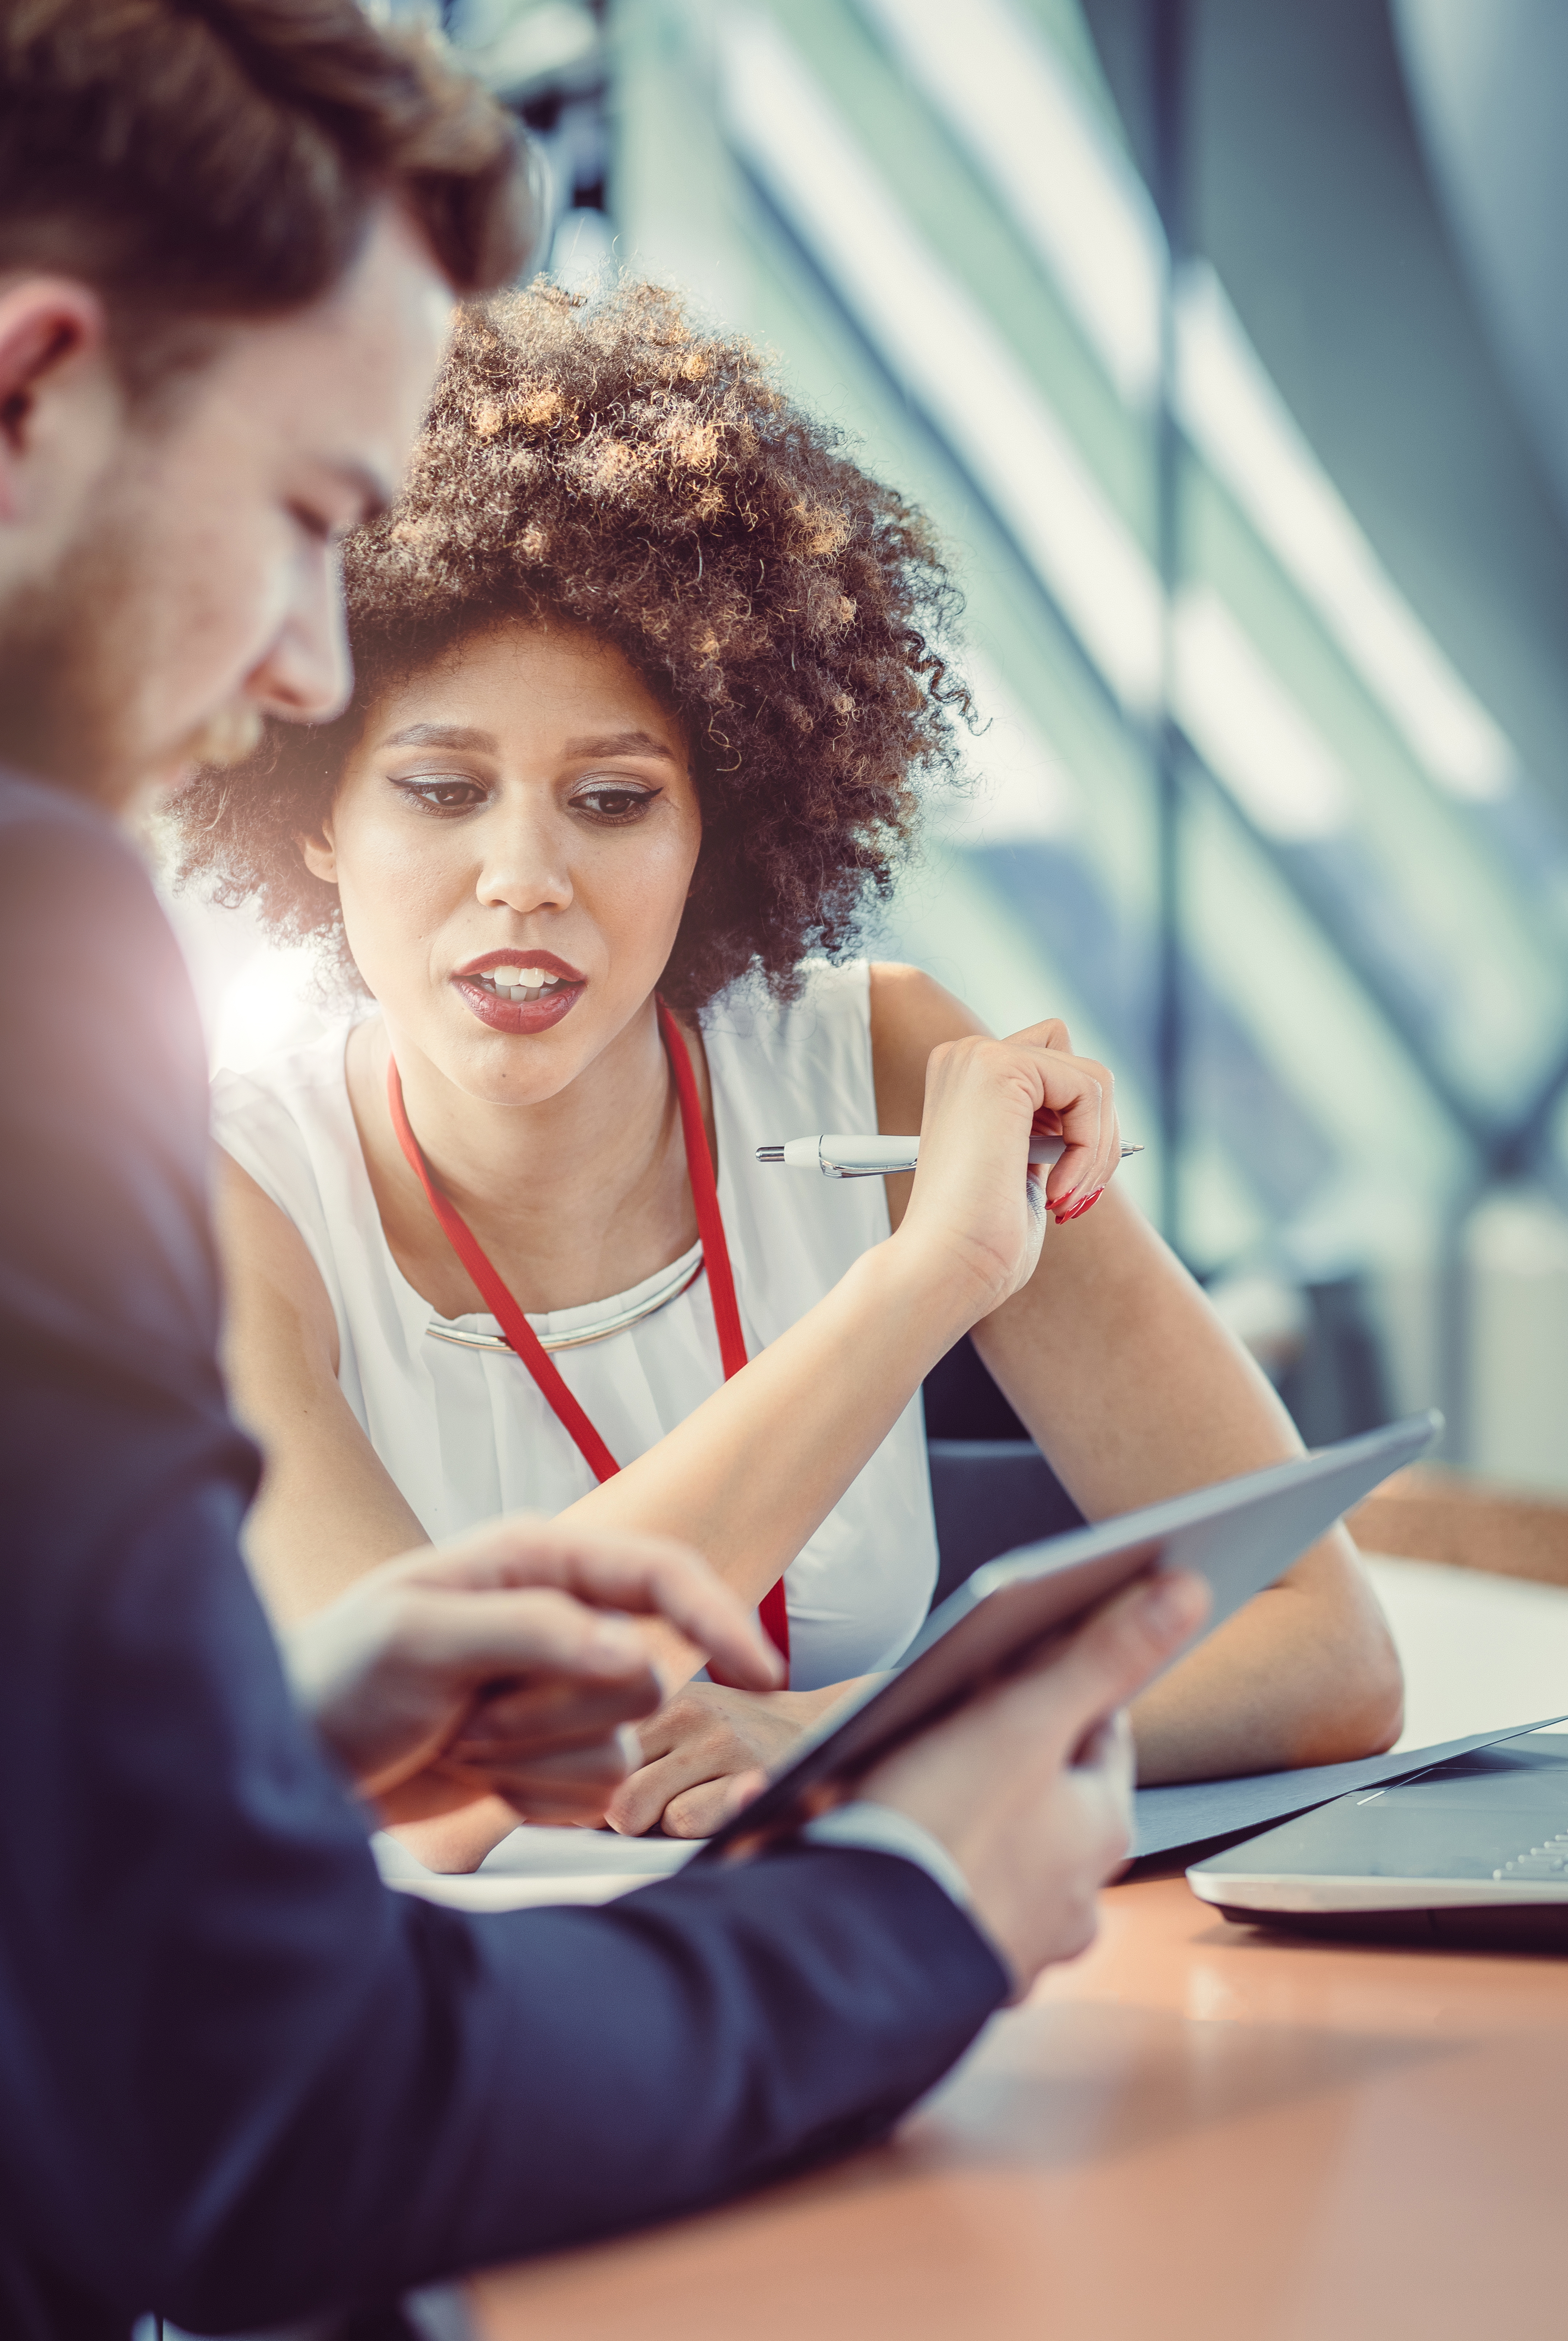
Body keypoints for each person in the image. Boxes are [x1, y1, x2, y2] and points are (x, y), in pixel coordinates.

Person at [0, 5, 1207, 2334]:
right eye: (305, 522)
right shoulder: (65, 1007)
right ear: (34, 389)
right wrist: (905, 1912)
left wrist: (270, 1755)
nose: (295, 666)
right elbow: (255, 2120)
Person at [169, 286, 1405, 1870]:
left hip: (893, 1982)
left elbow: (1325, 1646)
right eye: (440, 790)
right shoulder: (224, 1197)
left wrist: (838, 1730)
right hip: (481, 2043)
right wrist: (924, 1279)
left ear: (722, 828)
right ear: (314, 814)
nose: (524, 875)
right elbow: (431, 1772)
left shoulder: (887, 1063)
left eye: (613, 801)